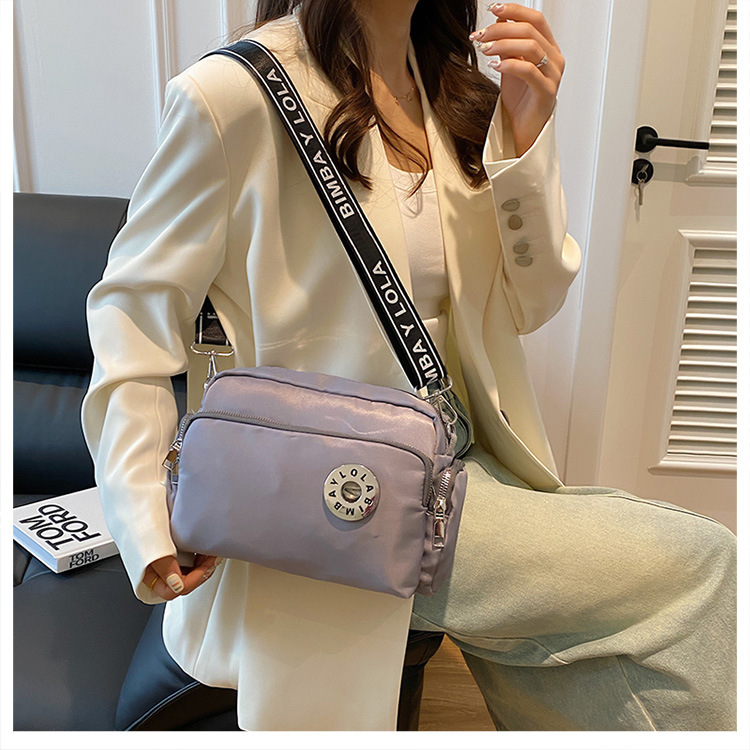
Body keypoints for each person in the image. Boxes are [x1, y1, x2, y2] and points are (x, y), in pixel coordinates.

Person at [81, 0, 737, 731]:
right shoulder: (232, 95)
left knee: (601, 656)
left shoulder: (452, 95)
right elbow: (131, 315)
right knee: (704, 567)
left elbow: (531, 303)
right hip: (333, 509)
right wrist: (146, 514)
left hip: (462, 466)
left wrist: (526, 135)